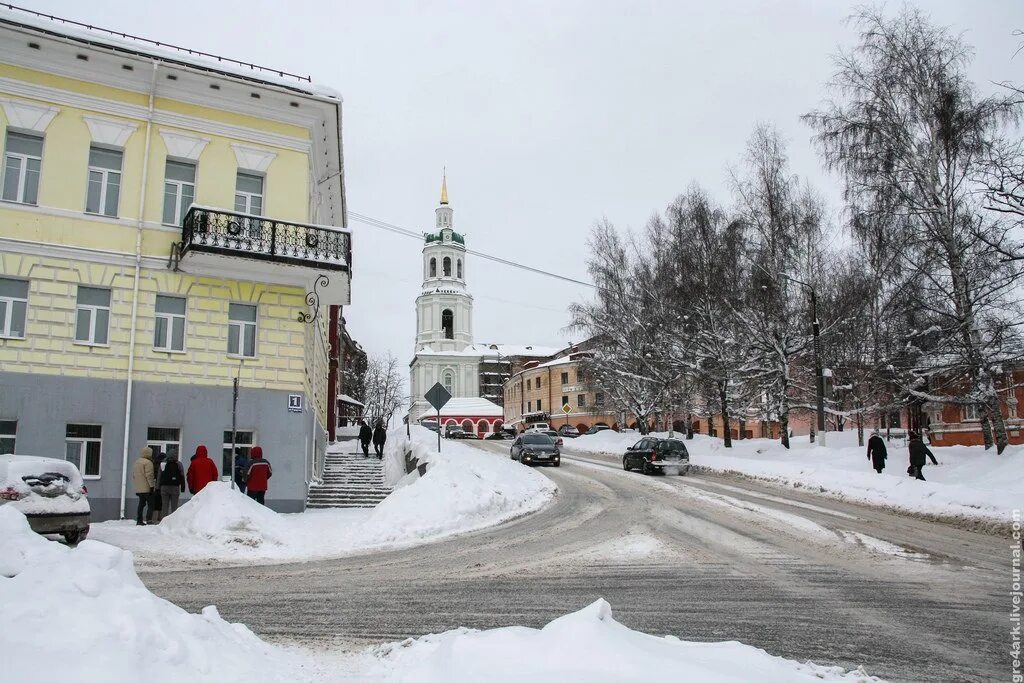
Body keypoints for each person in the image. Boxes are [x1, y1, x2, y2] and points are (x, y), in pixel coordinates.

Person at [131, 446, 156, 526]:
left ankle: (139, 520)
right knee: (151, 504)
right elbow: (149, 475)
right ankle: (149, 519)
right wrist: (152, 486)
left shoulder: (137, 462)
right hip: (147, 488)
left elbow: (134, 475)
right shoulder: (148, 463)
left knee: (141, 504)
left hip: (139, 488)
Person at [159, 452, 186, 517]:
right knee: (174, 506)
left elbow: (159, 476)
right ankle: (174, 521)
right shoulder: (179, 464)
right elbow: (182, 475)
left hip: (164, 487)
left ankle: (163, 521)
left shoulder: (163, 463)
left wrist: (158, 487)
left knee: (164, 505)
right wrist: (183, 487)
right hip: (175, 487)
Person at [147, 450, 167, 523]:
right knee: (161, 502)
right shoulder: (163, 465)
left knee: (154, 503)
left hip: (153, 485)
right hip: (161, 485)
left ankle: (153, 518)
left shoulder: (153, 464)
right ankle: (159, 519)